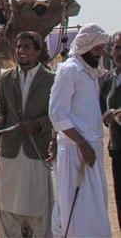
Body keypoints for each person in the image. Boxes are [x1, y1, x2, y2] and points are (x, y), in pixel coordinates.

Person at [0, 32, 54, 237]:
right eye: (19, 46)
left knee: (38, 207)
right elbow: (3, 111)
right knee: (7, 206)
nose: (22, 51)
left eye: (28, 46)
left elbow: (57, 114)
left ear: (38, 51)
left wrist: (38, 125)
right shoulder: (7, 77)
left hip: (36, 150)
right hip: (10, 151)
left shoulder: (51, 79)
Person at [49, 23, 111, 237]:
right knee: (75, 210)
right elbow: (57, 113)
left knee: (94, 207)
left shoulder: (90, 72)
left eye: (102, 49)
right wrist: (83, 144)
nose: (100, 54)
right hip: (75, 150)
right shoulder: (69, 70)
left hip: (92, 148)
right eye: (97, 49)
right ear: (86, 47)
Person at [100, 31, 121, 229]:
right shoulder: (108, 79)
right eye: (118, 47)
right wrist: (107, 118)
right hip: (117, 148)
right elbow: (101, 111)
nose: (120, 52)